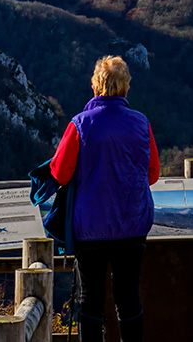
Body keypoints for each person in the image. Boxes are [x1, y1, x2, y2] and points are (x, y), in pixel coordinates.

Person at [50, 56, 160, 342]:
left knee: (91, 300)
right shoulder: (141, 123)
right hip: (133, 224)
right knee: (129, 298)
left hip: (91, 227)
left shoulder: (80, 125)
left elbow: (61, 173)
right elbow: (153, 174)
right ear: (125, 88)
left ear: (96, 87)